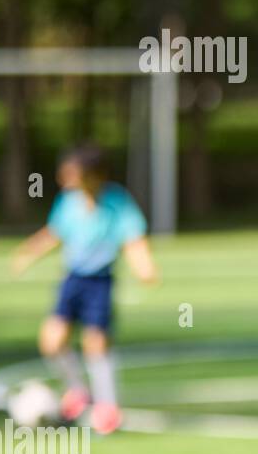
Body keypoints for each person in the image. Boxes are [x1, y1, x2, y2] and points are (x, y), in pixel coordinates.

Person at [10, 143, 158, 434]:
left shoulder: (117, 202)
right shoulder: (69, 201)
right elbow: (56, 233)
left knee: (96, 343)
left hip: (99, 282)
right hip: (73, 280)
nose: (66, 178)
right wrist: (29, 253)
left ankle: (108, 407)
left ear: (94, 174)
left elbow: (133, 238)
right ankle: (78, 392)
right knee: (52, 340)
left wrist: (145, 265)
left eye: (73, 172)